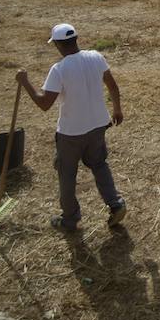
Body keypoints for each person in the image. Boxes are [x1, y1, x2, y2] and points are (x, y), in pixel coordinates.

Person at [16, 23, 126, 233]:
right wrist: (117, 109)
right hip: (98, 125)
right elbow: (112, 85)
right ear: (76, 39)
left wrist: (25, 82)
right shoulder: (95, 57)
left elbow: (44, 104)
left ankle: (69, 219)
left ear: (57, 44)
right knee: (99, 164)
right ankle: (116, 204)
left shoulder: (59, 69)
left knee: (67, 174)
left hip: (71, 132)